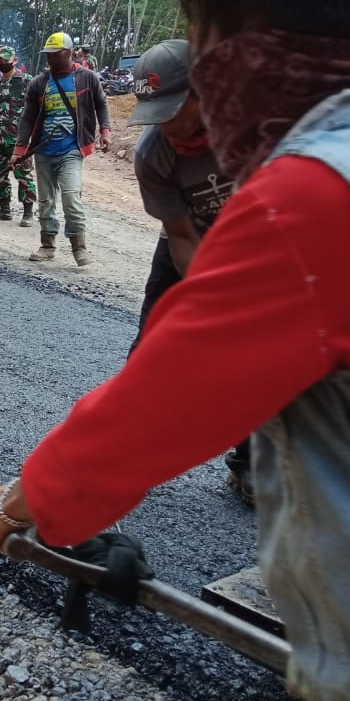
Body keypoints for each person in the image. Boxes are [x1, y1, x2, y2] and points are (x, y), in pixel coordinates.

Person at [0, 0, 350, 701]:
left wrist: (25, 504)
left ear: (247, 54)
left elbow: (158, 413)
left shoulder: (318, 201)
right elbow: (182, 267)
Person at [127, 38, 250, 500]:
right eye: (154, 112)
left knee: (257, 358)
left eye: (173, 110)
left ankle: (252, 464)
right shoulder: (153, 154)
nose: (164, 124)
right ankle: (125, 448)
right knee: (151, 349)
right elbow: (181, 236)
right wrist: (209, 304)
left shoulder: (254, 126)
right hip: (190, 242)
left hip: (255, 246)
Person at [11, 31, 111, 266]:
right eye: (48, 55)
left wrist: (105, 131)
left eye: (55, 55)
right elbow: (28, 118)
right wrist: (19, 149)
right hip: (44, 150)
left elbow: (101, 104)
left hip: (72, 149)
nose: (50, 59)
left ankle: (79, 248)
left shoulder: (87, 78)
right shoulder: (39, 83)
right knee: (45, 201)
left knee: (70, 197)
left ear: (68, 53)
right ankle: (47, 246)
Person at [0, 46, 36, 224]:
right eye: (0, 61)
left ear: (15, 60)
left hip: (19, 140)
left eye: (6, 60)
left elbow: (37, 110)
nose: (3, 63)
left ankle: (27, 213)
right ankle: (4, 210)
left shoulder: (27, 82)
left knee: (24, 176)